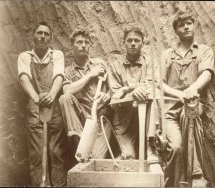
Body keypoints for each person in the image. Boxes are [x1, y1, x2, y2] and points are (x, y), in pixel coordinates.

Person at [161, 12, 214, 187]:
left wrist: (192, 89)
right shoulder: (167, 54)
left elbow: (206, 74)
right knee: (175, 148)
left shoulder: (204, 51)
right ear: (176, 30)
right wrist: (178, 94)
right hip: (169, 109)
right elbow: (159, 84)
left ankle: (196, 175)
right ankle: (172, 184)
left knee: (189, 113)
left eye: (189, 23)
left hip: (192, 104)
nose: (186, 26)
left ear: (194, 25)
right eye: (181, 24)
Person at [17, 21, 68, 186]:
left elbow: (59, 76)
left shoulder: (57, 55)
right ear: (33, 36)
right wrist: (36, 97)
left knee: (57, 153)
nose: (43, 37)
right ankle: (41, 185)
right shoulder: (25, 57)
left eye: (46, 34)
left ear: (51, 38)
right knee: (37, 154)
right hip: (34, 107)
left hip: (54, 108)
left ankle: (59, 185)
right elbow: (24, 77)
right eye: (39, 33)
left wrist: (52, 94)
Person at [59, 28, 114, 168]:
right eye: (79, 42)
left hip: (101, 118)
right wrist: (90, 75)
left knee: (94, 159)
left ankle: (86, 146)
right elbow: (67, 91)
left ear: (90, 45)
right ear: (72, 46)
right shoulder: (68, 71)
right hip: (82, 119)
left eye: (86, 42)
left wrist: (107, 96)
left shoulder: (100, 64)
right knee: (64, 98)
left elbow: (113, 88)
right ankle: (78, 137)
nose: (83, 45)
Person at [108, 26, 158, 161]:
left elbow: (153, 84)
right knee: (129, 157)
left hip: (147, 116)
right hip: (124, 119)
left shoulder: (150, 62)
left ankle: (150, 143)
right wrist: (133, 90)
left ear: (143, 42)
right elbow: (115, 94)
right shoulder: (114, 65)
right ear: (124, 42)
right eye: (129, 40)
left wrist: (125, 90)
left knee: (154, 96)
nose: (133, 43)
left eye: (137, 40)